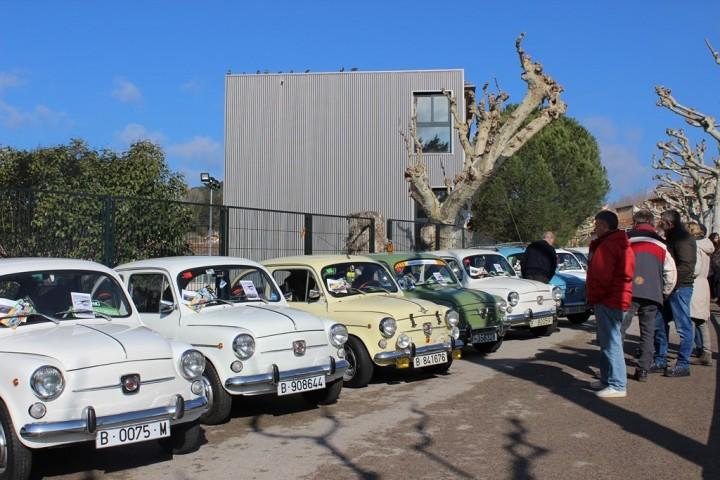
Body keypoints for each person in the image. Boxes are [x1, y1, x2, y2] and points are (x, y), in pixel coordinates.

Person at [621, 210, 677, 382]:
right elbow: (670, 271)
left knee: (620, 329)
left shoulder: (626, 240)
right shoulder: (661, 244)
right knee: (648, 332)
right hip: (653, 292)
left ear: (635, 222)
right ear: (652, 223)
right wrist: (665, 291)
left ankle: (615, 368)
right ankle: (643, 370)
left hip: (629, 291)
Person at [586, 210, 634, 398]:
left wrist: (593, 297)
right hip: (616, 298)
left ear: (604, 225)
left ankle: (618, 384)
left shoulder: (608, 245)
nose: (595, 227)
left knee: (611, 342)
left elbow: (600, 277)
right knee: (608, 342)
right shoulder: (619, 242)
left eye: (597, 224)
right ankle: (607, 379)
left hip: (609, 299)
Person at [652, 210, 697, 377]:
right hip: (672, 288)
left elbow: (686, 266)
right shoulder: (673, 236)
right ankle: (660, 359)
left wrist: (671, 284)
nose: (659, 223)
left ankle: (683, 363)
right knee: (659, 323)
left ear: (669, 223)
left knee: (683, 326)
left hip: (679, 288)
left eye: (661, 221)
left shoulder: (682, 239)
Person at [688, 222, 713, 366]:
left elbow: (695, 268)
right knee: (701, 321)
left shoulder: (695, 246)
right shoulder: (706, 245)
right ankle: (707, 352)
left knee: (691, 320)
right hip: (703, 284)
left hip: (694, 284)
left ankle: (687, 352)